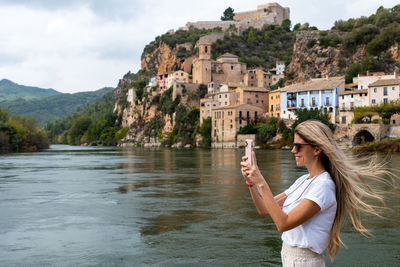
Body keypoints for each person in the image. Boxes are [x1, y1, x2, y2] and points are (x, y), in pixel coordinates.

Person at [240, 120, 394, 266]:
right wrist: (251, 182)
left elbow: (283, 223)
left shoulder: (324, 186)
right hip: (290, 259)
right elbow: (264, 208)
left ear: (317, 149)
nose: (293, 151)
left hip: (304, 262)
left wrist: (260, 180)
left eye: (298, 146)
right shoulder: (302, 180)